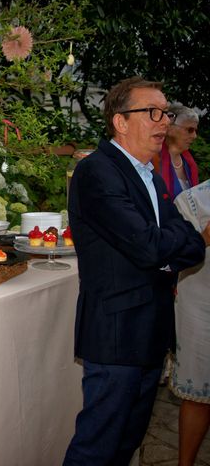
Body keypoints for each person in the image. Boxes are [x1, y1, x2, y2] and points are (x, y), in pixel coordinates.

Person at [63, 76, 210, 465]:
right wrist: (177, 244)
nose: (164, 122)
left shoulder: (149, 175)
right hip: (116, 336)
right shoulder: (97, 172)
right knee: (96, 450)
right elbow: (150, 245)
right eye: (153, 112)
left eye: (167, 113)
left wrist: (175, 244)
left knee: (124, 446)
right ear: (121, 122)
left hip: (148, 333)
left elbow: (186, 240)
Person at [169, 179, 210, 466]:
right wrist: (205, 236)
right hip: (201, 304)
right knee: (197, 396)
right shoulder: (193, 201)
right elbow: (172, 257)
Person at [153, 102, 200, 200]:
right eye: (190, 130)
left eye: (196, 131)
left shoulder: (189, 163)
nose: (194, 136)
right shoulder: (151, 160)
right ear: (169, 128)